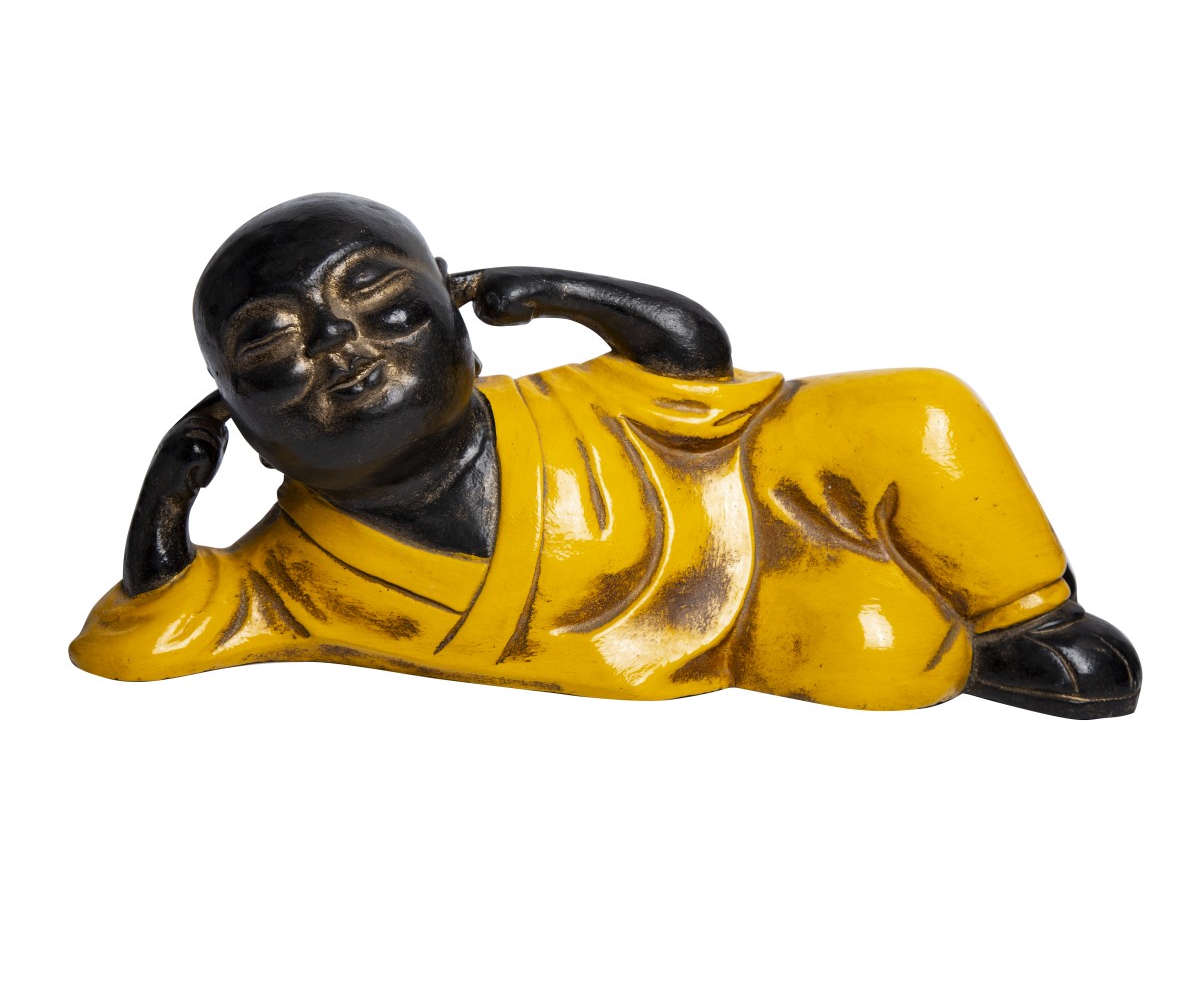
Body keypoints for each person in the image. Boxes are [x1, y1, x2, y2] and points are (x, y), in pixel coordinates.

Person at [69, 194, 1141, 718]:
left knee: (918, 410)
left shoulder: (567, 403)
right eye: (277, 349)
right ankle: (950, 639)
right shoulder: (293, 572)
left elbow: (697, 359)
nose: (342, 348)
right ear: (243, 421)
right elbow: (135, 643)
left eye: (379, 302)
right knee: (893, 656)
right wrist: (168, 500)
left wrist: (558, 291)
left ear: (457, 317)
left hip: (744, 478)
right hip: (743, 616)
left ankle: (1027, 616)